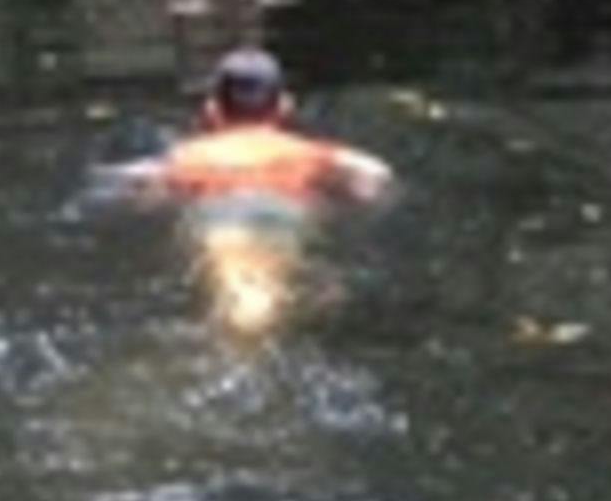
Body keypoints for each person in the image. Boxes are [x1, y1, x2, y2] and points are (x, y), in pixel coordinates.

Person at [103, 49, 394, 333]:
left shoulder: (188, 157)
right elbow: (375, 174)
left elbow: (138, 189)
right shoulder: (309, 154)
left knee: (242, 296)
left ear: (212, 109)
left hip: (223, 220)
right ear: (284, 107)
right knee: (267, 289)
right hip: (283, 217)